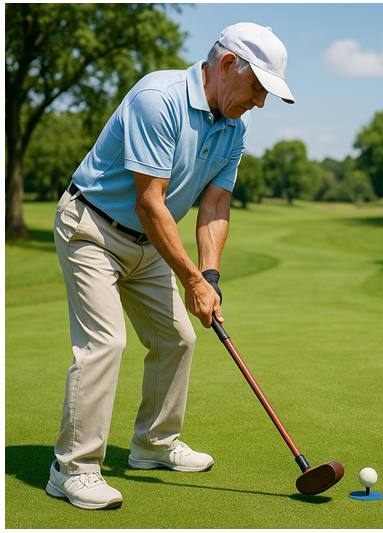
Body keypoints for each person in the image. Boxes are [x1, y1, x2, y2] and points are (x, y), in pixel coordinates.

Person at [47, 23, 294, 510]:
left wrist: (211, 278)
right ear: (227, 66)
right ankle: (71, 468)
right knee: (105, 341)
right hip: (92, 227)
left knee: (177, 338)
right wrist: (191, 279)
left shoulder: (233, 128)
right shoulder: (158, 98)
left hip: (150, 242)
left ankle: (152, 445)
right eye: (258, 89)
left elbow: (215, 205)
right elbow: (149, 201)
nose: (260, 104)